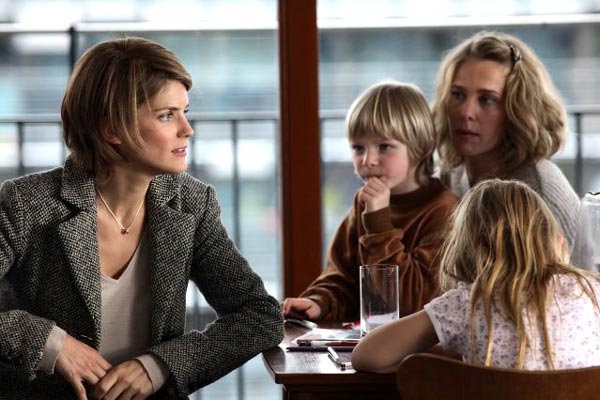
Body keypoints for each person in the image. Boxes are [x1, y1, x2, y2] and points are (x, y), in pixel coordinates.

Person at [0, 37, 283, 399]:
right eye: (167, 115)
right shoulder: (27, 203)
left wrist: (160, 366)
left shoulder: (191, 204)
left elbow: (259, 314)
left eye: (185, 112)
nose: (187, 129)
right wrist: (49, 344)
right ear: (111, 129)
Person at [352, 179, 600, 374]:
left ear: (465, 248)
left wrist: (444, 348)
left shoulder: (467, 304)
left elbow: (366, 355)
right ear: (549, 238)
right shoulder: (592, 291)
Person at [282, 81, 459, 321]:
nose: (368, 160)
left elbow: (412, 305)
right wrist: (318, 302)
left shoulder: (445, 209)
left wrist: (378, 222)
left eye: (384, 146)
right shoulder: (364, 202)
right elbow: (344, 278)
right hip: (371, 344)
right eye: (358, 148)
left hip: (422, 354)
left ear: (423, 147)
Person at [432, 30, 580, 249]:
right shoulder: (451, 175)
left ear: (517, 108)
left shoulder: (539, 190)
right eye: (458, 95)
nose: (466, 112)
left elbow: (564, 281)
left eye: (487, 99)